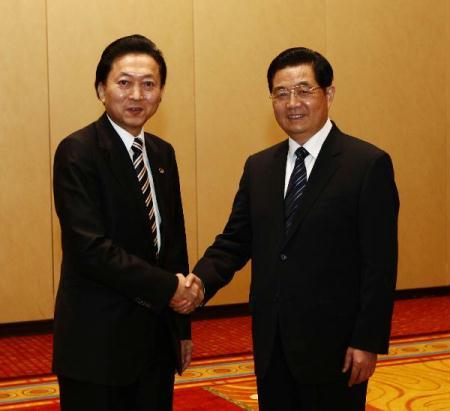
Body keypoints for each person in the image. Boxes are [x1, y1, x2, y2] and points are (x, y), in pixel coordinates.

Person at [174, 47, 399, 410]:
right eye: (281, 93)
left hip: (337, 348)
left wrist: (368, 340)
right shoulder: (259, 167)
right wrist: (199, 283)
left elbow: (380, 264)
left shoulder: (366, 165)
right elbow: (234, 241)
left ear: (329, 93)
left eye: (304, 90)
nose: (292, 102)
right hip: (273, 343)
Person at [53, 34, 204, 411]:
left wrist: (180, 329)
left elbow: (173, 245)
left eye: (149, 84)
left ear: (161, 92)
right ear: (101, 89)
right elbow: (90, 249)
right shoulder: (78, 151)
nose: (137, 95)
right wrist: (170, 288)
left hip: (154, 341)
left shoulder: (161, 153)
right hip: (97, 344)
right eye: (124, 82)